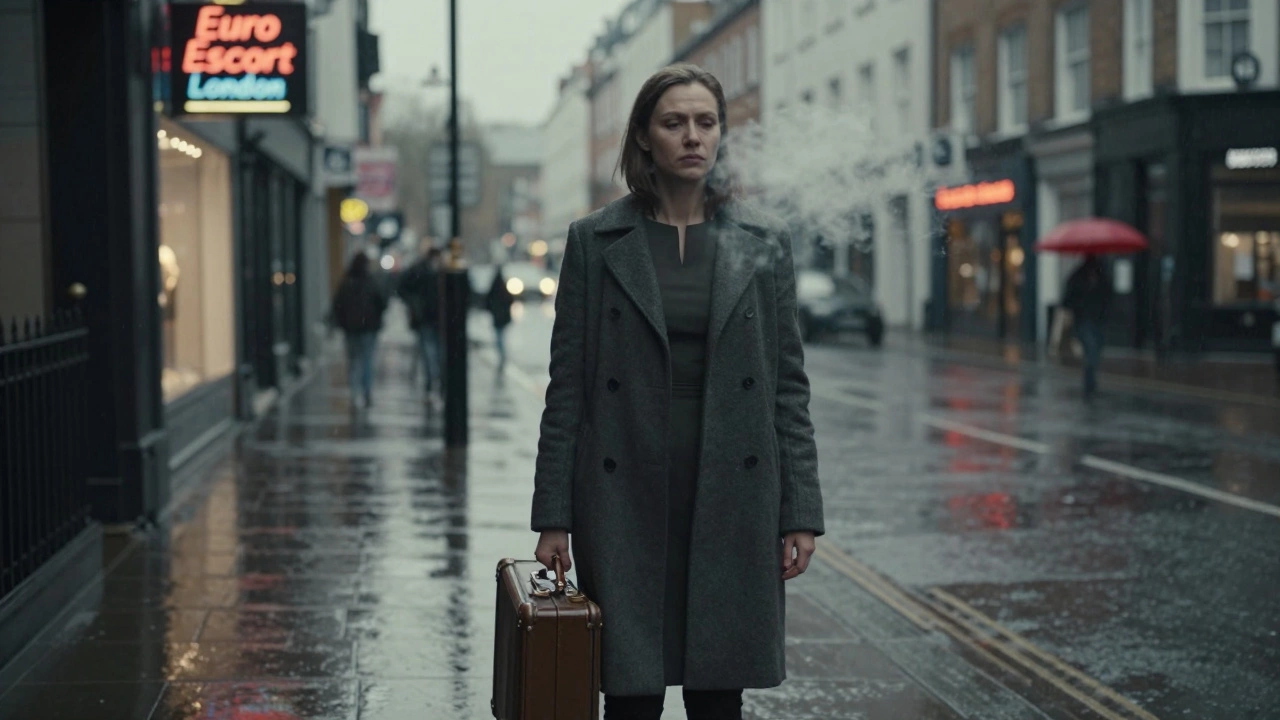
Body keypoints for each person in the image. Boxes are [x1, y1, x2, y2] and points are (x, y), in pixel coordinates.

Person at [530, 63, 824, 720]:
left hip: (732, 490)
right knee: (630, 694)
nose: (693, 136)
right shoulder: (594, 241)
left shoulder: (761, 239)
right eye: (674, 123)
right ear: (643, 137)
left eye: (706, 122)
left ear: (721, 134)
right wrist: (554, 516)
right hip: (626, 490)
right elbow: (568, 391)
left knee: (719, 692)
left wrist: (799, 510)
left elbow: (787, 390)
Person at [329, 252, 387, 409]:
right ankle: (366, 392)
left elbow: (337, 305)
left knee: (354, 361)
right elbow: (382, 302)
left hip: (352, 329)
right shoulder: (371, 281)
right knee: (367, 360)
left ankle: (355, 394)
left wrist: (344, 322)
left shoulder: (347, 282)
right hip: (368, 328)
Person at [1061, 254, 1112, 400]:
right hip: (1084, 321)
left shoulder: (1102, 276)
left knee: (1096, 351)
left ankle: (1091, 382)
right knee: (1091, 352)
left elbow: (1108, 296)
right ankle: (1090, 385)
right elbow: (1067, 300)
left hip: (1098, 321)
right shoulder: (1077, 277)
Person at [398, 244, 444, 398]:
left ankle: (433, 384)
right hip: (427, 319)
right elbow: (403, 288)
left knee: (433, 353)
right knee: (431, 353)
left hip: (434, 320)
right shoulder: (423, 272)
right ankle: (432, 383)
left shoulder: (433, 272)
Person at [487, 266, 515, 371]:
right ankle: (502, 355)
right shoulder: (503, 288)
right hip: (502, 318)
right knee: (500, 337)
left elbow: (488, 301)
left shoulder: (494, 289)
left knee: (499, 338)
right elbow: (510, 300)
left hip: (498, 318)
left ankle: (502, 355)